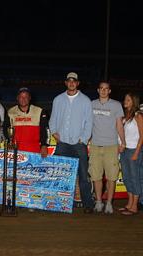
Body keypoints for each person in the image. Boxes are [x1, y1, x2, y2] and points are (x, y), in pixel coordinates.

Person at [49, 72, 94, 214]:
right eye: (69, 81)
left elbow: (89, 122)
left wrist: (84, 139)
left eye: (74, 81)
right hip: (62, 143)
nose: (72, 83)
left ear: (78, 83)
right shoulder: (58, 99)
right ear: (66, 83)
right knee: (59, 174)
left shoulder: (86, 100)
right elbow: (53, 118)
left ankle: (88, 204)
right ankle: (56, 202)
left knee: (83, 175)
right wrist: (54, 132)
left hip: (78, 143)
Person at [89, 81, 126, 214]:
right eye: (101, 88)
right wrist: (86, 139)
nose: (104, 91)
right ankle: (99, 201)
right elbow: (87, 123)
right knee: (96, 176)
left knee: (111, 177)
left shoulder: (116, 105)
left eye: (106, 89)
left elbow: (119, 125)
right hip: (95, 145)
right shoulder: (91, 104)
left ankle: (109, 203)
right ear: (98, 90)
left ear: (110, 91)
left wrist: (123, 142)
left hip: (111, 146)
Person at [5, 87, 48, 156]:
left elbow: (45, 130)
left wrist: (44, 145)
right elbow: (6, 130)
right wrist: (9, 143)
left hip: (34, 149)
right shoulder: (10, 112)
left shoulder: (39, 111)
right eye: (21, 97)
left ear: (30, 98)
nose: (23, 99)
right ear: (17, 98)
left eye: (26, 97)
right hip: (16, 150)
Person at [119, 93, 143, 215]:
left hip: (134, 150)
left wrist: (137, 152)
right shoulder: (125, 116)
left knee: (135, 178)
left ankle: (135, 206)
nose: (125, 101)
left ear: (134, 101)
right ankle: (129, 203)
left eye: (128, 99)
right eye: (125, 99)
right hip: (124, 150)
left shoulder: (138, 116)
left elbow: (142, 136)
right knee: (127, 177)